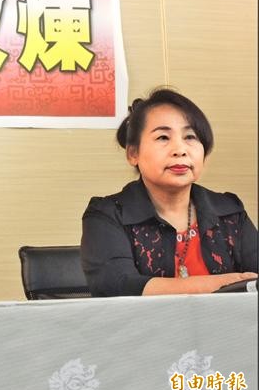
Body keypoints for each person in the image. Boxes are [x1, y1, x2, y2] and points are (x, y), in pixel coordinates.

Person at [80, 87, 258, 297]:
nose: (180, 150)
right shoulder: (107, 215)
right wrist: (227, 284)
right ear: (133, 154)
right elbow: (117, 285)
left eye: (190, 137)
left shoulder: (229, 211)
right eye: (163, 137)